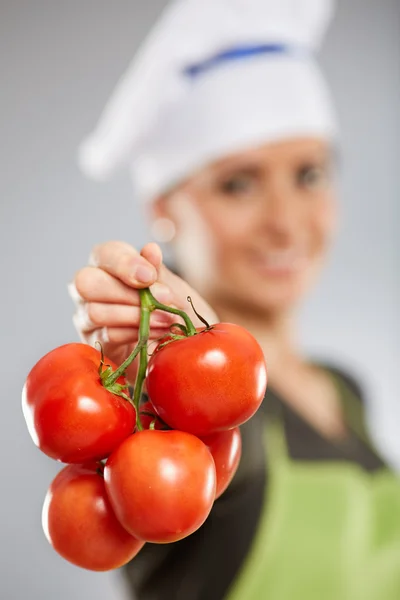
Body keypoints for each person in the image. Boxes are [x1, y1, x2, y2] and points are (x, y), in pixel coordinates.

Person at [70, 0, 400, 598]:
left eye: (309, 175)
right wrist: (172, 355)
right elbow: (210, 450)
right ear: (164, 209)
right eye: (238, 184)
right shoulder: (181, 420)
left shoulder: (344, 390)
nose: (286, 222)